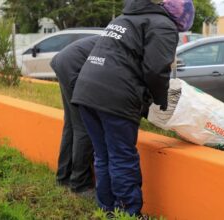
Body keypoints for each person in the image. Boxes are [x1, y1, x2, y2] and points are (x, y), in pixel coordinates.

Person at [71, 0, 195, 216]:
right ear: (180, 20)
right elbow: (156, 70)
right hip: (115, 94)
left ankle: (106, 209)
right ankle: (129, 213)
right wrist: (160, 98)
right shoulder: (162, 25)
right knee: (122, 156)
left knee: (103, 155)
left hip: (86, 92)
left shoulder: (124, 18)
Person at [50, 35, 99, 194]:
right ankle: (80, 185)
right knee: (84, 126)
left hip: (64, 60)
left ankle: (63, 177)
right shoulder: (134, 47)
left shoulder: (123, 36)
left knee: (71, 125)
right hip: (73, 65)